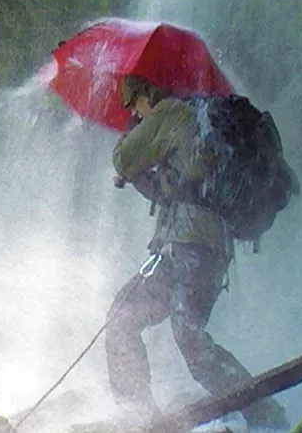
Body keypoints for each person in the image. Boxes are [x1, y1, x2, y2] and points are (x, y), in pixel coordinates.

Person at [105, 75, 289, 430]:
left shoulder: (172, 113)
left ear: (146, 92)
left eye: (132, 103)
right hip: (192, 248)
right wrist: (138, 178)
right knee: (124, 318)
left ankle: (265, 414)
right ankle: (138, 415)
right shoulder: (196, 126)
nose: (132, 111)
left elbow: (123, 156)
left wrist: (131, 142)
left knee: (186, 335)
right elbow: (175, 193)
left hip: (192, 247)